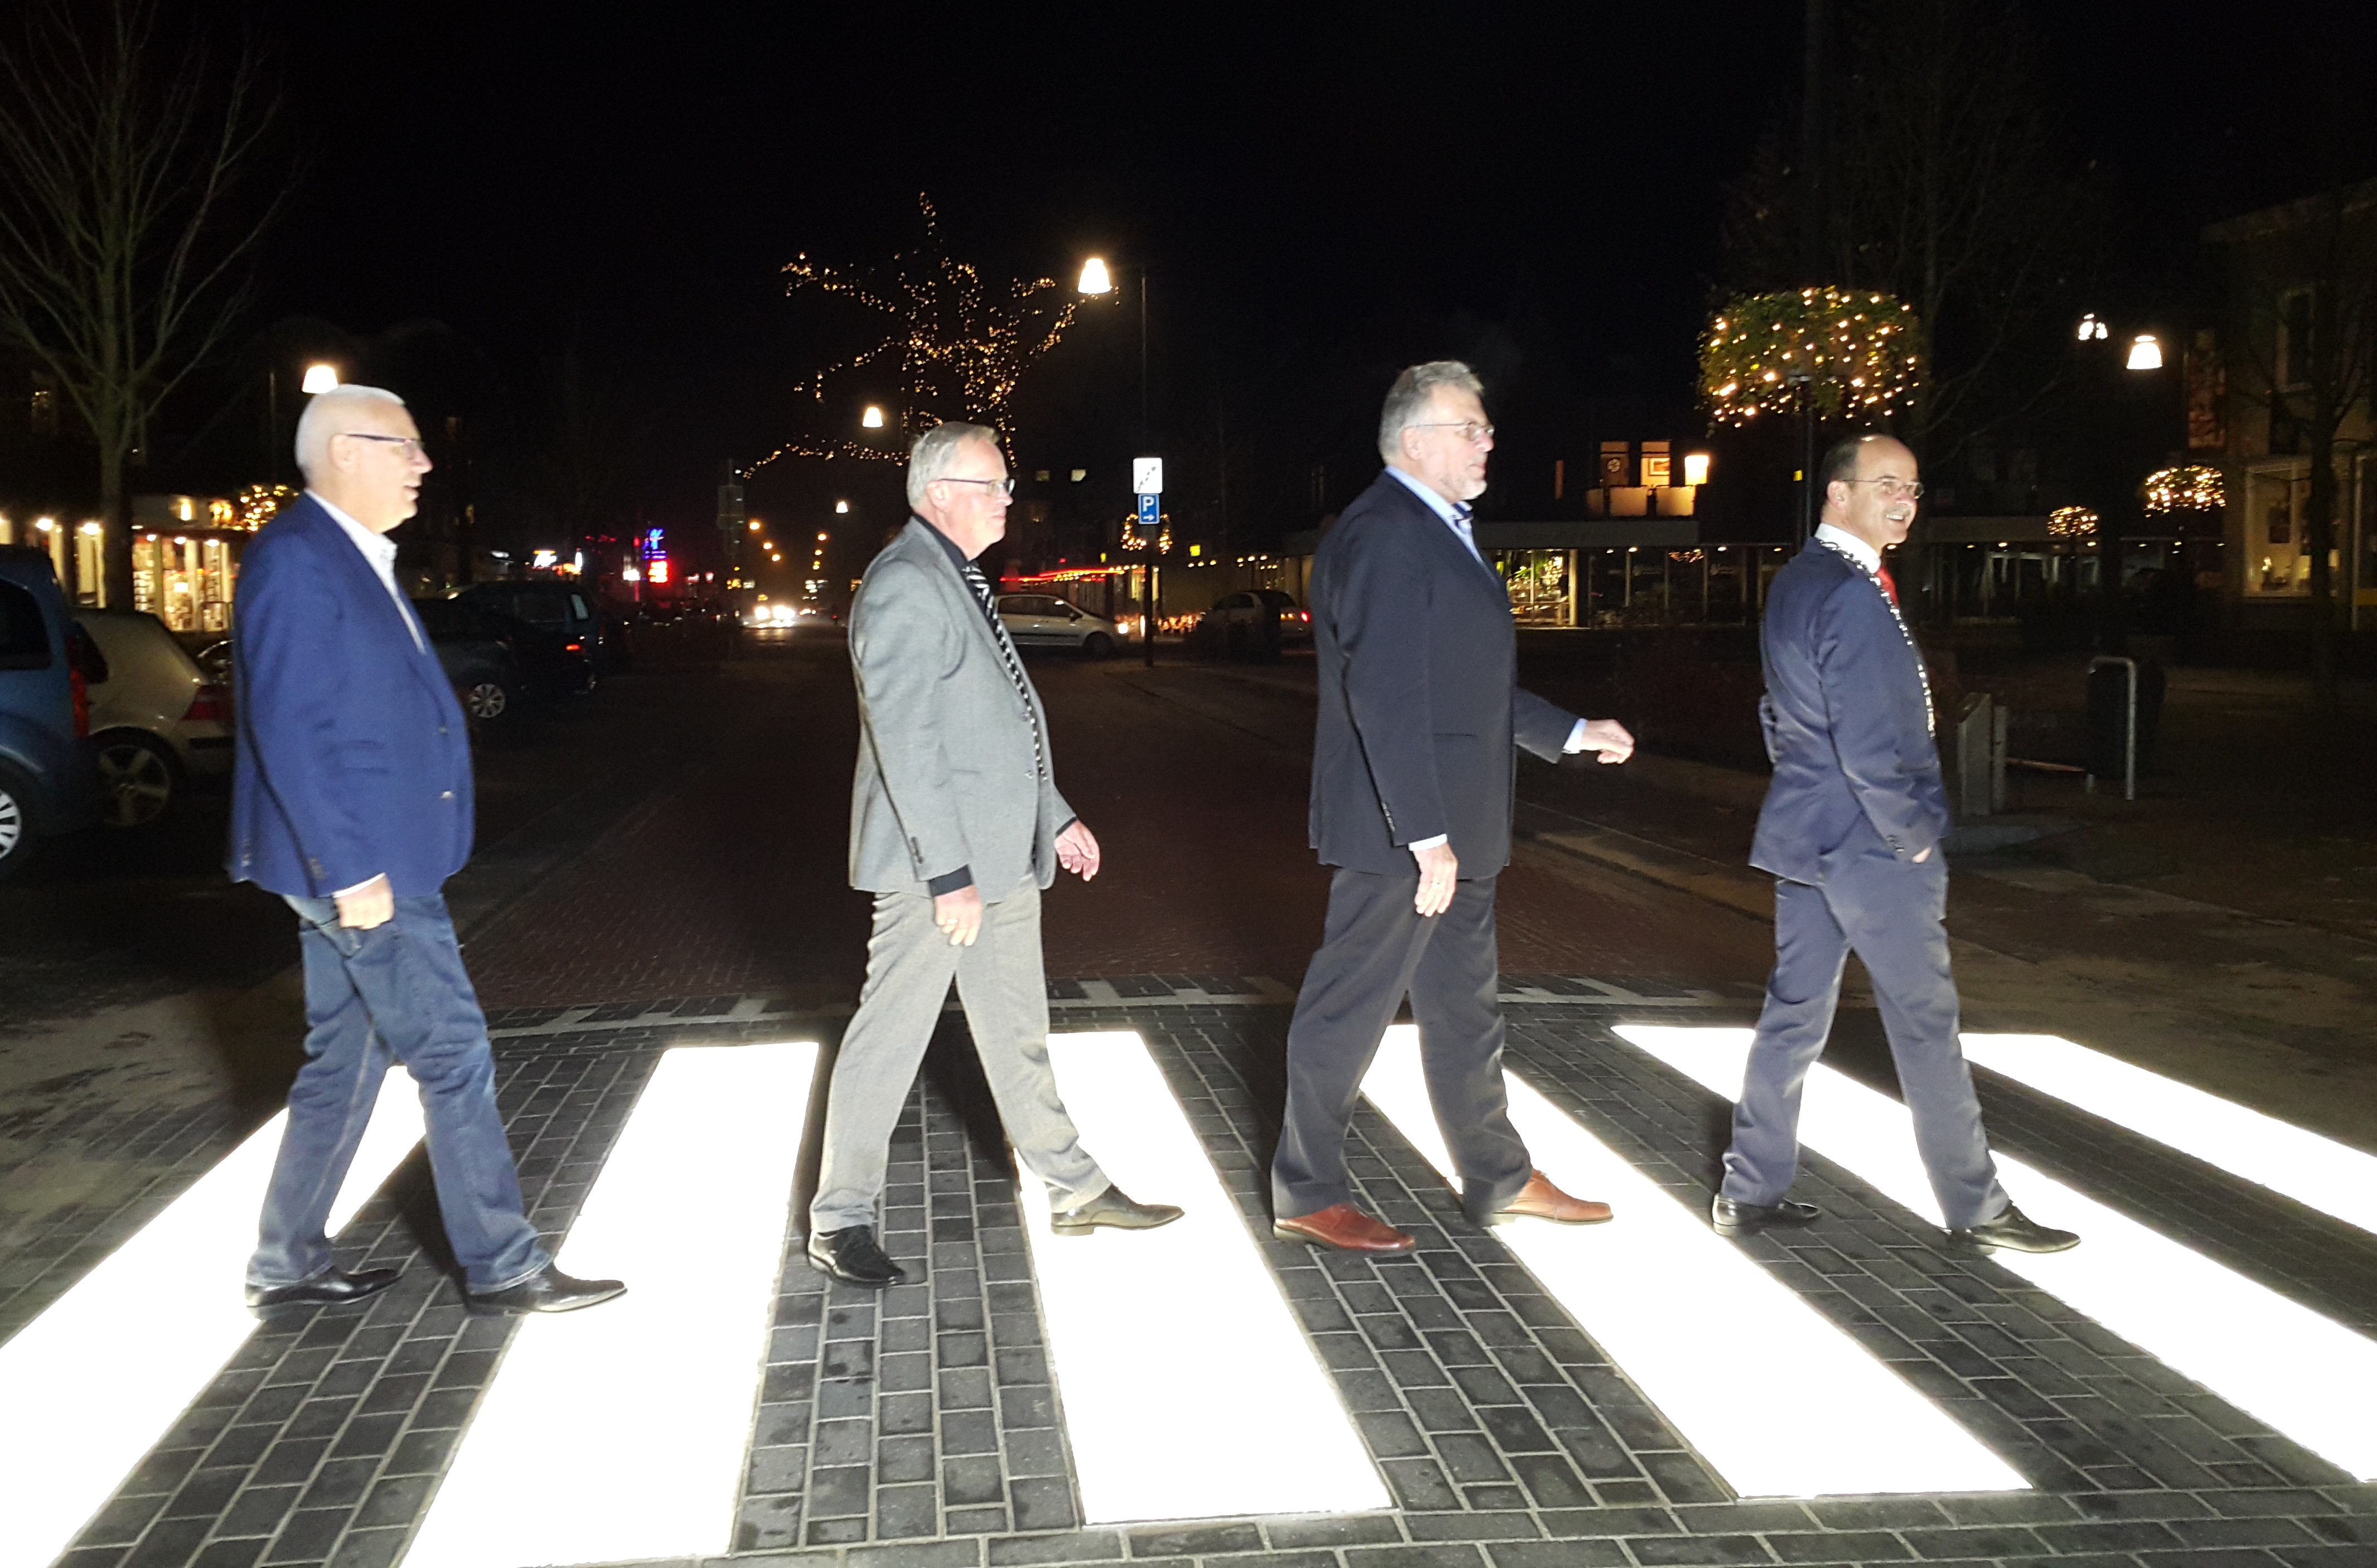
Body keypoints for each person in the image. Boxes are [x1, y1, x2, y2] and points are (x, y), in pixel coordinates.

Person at [230, 384, 623, 1315]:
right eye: (403, 446)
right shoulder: (300, 559)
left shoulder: (343, 554)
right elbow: (290, 727)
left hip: (367, 859)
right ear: (345, 452)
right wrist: (349, 869)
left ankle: (286, 1261)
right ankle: (503, 1264)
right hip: (365, 866)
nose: (424, 462)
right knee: (452, 1054)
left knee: (347, 1060)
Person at [1271, 362, 1635, 1254]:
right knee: (1348, 1009)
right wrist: (1424, 835)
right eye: (1469, 428)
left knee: (1467, 1011)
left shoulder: (1431, 530)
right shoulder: (1385, 534)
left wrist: (1571, 730)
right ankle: (1306, 1189)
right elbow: (1388, 695)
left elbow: (1465, 686)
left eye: (1486, 427)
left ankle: (1498, 1177)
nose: (1487, 441)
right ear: (1413, 441)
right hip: (1402, 834)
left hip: (1453, 829)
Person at [805, 422, 1181, 1286]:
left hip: (1001, 859)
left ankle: (1075, 1189)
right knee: (890, 1036)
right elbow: (909, 744)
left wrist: (1055, 816)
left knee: (1017, 1031)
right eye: (995, 484)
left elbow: (998, 725)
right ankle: (839, 1218)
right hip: (940, 871)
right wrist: (949, 875)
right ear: (941, 495)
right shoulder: (906, 585)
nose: (1010, 497)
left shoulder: (956, 576)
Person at [1717, 432, 2078, 1256]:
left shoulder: (1798, 580)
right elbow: (1868, 738)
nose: (1904, 501)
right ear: (1838, 494)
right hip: (1871, 846)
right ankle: (1977, 1207)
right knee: (1925, 1024)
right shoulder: (1850, 592)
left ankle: (1749, 1189)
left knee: (1793, 1017)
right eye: (1886, 485)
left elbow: (1779, 712)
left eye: (1912, 488)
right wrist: (1910, 834)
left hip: (1807, 833)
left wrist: (1809, 785)